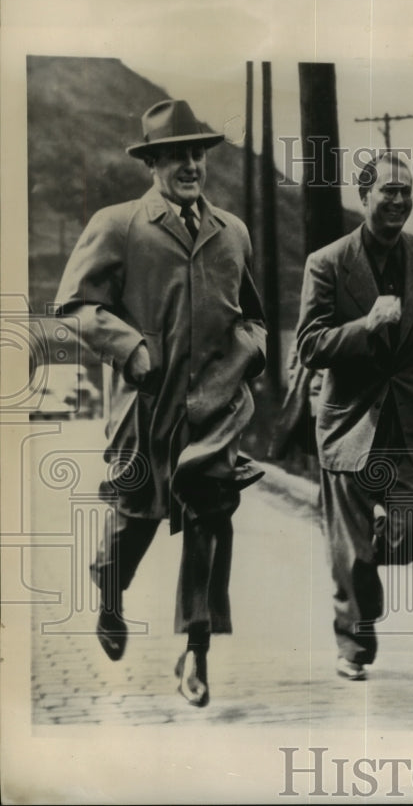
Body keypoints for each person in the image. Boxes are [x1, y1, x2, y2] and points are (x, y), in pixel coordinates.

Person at [55, 99, 267, 707]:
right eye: (176, 156)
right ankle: (108, 583)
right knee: (137, 519)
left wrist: (246, 354)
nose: (191, 165)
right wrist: (129, 348)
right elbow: (76, 306)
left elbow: (251, 314)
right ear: (152, 163)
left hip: (214, 412)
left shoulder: (234, 232)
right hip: (145, 409)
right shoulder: (119, 224)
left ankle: (196, 652)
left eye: (197, 153)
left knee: (209, 524)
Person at [296, 152, 413, 681]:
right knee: (350, 549)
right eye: (389, 191)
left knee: (410, 535)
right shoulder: (327, 262)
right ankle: (353, 643)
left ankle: (368, 577)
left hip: (408, 421)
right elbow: (309, 345)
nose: (399, 201)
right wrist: (366, 325)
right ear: (364, 195)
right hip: (350, 423)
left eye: (407, 192)